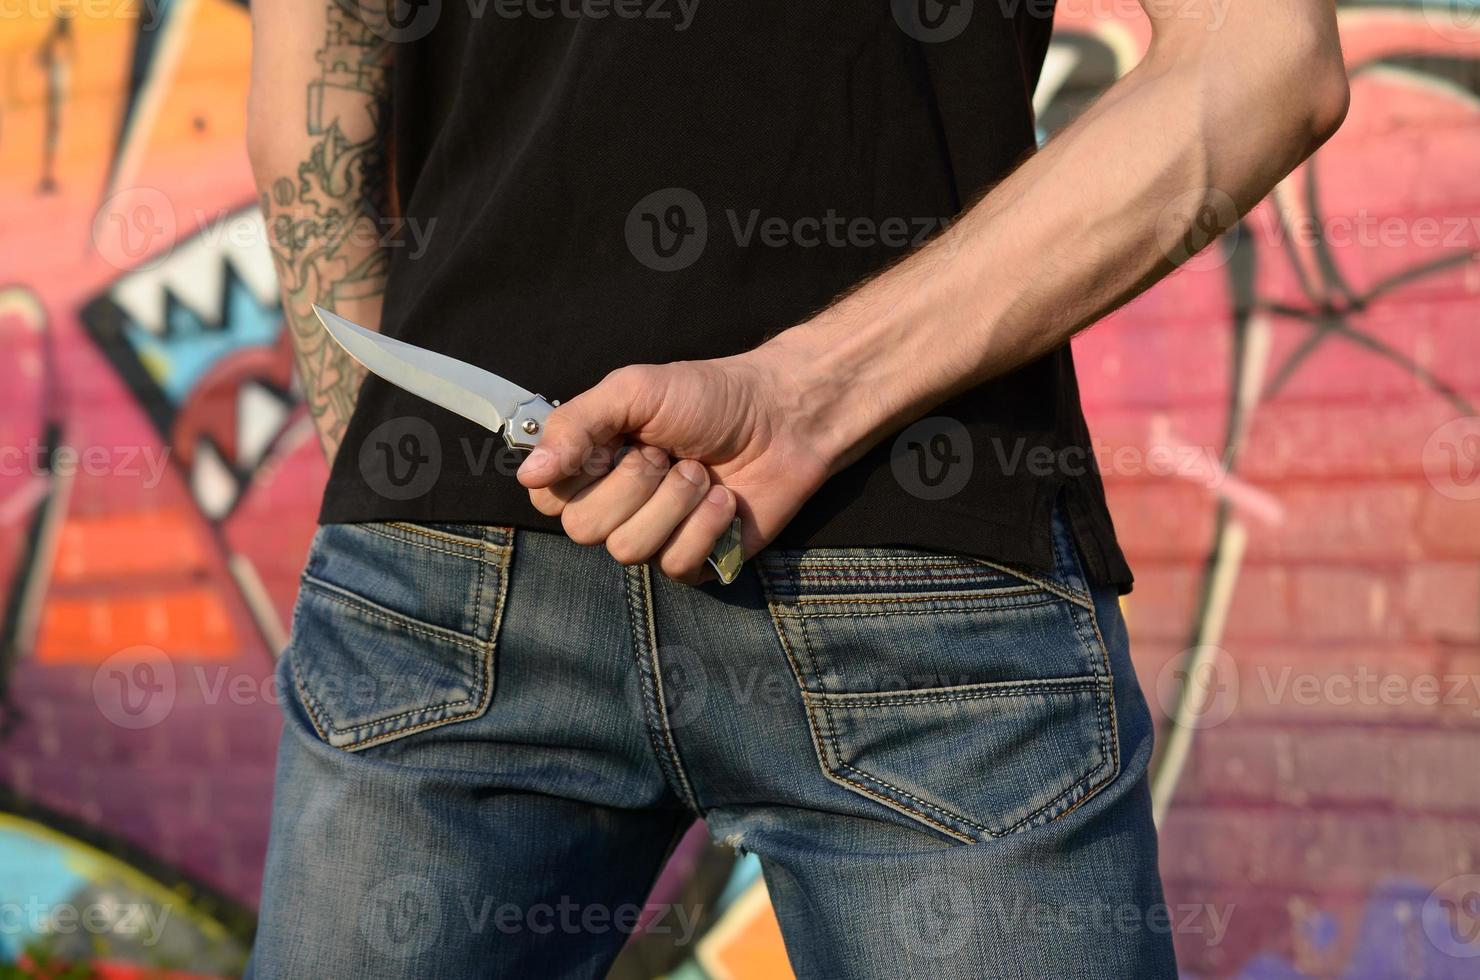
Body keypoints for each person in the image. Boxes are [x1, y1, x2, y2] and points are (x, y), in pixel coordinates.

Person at [244, 1, 1347, 976]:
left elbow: (316, 61)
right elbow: (1253, 50)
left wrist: (401, 469)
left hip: (528, 568)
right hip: (909, 552)